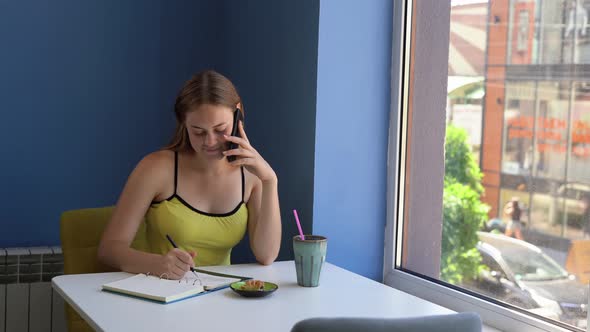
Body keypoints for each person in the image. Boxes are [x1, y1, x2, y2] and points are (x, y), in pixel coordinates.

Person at [97, 70, 282, 280]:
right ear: (183, 124)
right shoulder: (156, 168)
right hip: (162, 295)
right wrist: (157, 264)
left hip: (220, 299)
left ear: (237, 114)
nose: (210, 141)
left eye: (220, 129)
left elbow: (266, 255)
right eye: (198, 131)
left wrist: (270, 180)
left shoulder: (251, 175)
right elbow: (109, 249)